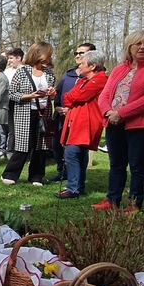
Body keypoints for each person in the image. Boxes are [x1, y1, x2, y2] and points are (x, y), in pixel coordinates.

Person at [93, 31, 144, 211]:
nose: (142, 47)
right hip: (114, 123)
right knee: (116, 164)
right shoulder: (119, 69)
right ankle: (112, 200)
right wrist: (108, 112)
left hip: (140, 125)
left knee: (137, 166)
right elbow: (104, 95)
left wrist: (122, 113)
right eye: (138, 44)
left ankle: (134, 204)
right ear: (129, 47)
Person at [2, 42, 56, 186]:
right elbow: (12, 94)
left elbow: (52, 93)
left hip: (43, 113)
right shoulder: (22, 72)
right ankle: (10, 174)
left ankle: (36, 176)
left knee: (41, 146)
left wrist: (52, 94)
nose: (48, 58)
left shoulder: (49, 73)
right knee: (23, 145)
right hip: (25, 112)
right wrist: (30, 96)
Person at [56, 50, 108, 199]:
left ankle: (73, 188)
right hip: (78, 120)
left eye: (83, 63)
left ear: (92, 66)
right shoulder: (84, 80)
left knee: (72, 152)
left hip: (87, 121)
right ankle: (78, 187)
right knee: (78, 152)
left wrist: (71, 97)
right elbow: (67, 98)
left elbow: (77, 96)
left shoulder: (100, 80)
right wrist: (71, 97)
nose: (79, 66)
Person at [51, 43, 96, 184]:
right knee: (57, 145)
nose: (77, 56)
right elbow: (59, 92)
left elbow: (83, 97)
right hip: (61, 116)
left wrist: (70, 109)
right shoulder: (68, 74)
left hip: (78, 118)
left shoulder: (93, 76)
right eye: (76, 53)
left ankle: (76, 180)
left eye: (81, 53)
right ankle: (62, 172)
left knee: (77, 150)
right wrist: (57, 106)